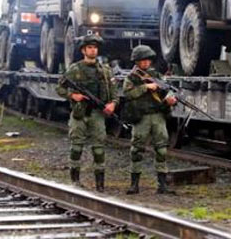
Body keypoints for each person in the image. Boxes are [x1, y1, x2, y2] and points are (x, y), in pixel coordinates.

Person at [56, 34, 117, 192]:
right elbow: (59, 87)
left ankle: (100, 184)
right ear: (84, 50)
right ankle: (75, 181)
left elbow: (114, 93)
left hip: (97, 113)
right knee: (76, 147)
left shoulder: (105, 71)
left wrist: (113, 104)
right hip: (80, 112)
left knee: (99, 148)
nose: (93, 50)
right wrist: (72, 95)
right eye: (90, 47)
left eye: (95, 48)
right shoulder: (75, 69)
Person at [123, 45, 177, 195]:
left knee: (161, 149)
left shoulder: (156, 75)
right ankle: (134, 184)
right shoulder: (132, 77)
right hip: (141, 117)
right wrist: (146, 87)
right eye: (142, 60)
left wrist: (169, 100)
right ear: (136, 61)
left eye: (148, 60)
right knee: (137, 150)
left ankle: (162, 185)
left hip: (158, 115)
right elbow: (127, 94)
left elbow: (166, 92)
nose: (146, 63)